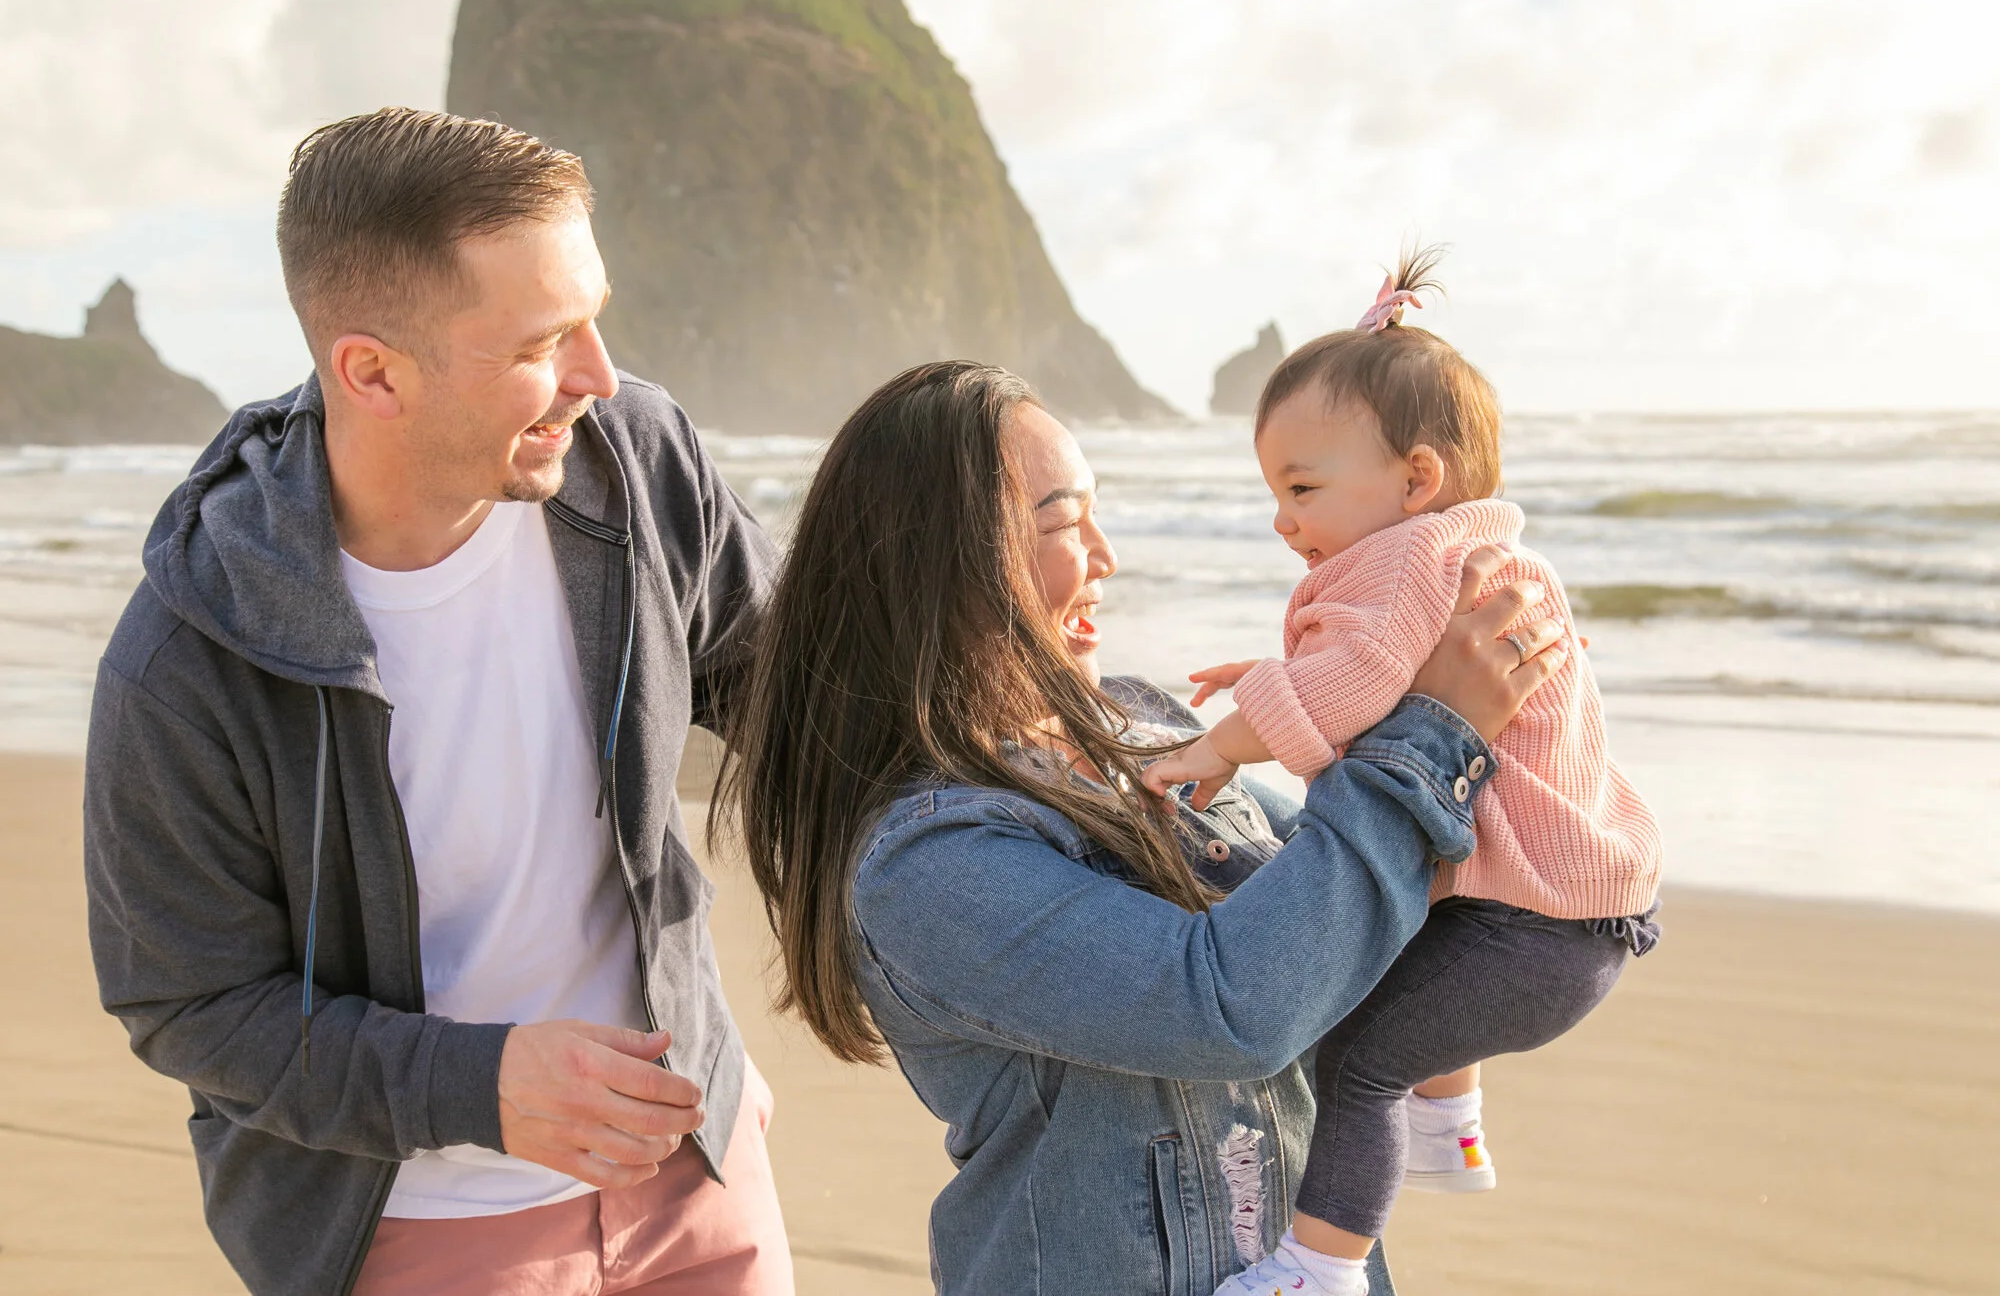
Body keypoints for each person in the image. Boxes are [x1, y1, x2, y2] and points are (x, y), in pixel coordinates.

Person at [82, 108, 792, 1294]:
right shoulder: (187, 662)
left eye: (593, 318)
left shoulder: (634, 459)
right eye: (542, 343)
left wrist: (1036, 743)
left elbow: (797, 696)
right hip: (418, 1233)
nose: (597, 376)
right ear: (372, 371)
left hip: (701, 1179)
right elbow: (189, 1004)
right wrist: (477, 1085)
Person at [713, 360, 1567, 1293]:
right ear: (943, 562)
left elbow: (1346, 901)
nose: (1106, 554)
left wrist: (1491, 716)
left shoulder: (1140, 724)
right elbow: (1232, 1007)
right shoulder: (924, 860)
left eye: (1096, 514)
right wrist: (1434, 731)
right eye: (1064, 523)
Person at [1142, 247, 1664, 1296]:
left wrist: (1221, 741)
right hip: (1573, 909)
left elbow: (1359, 683)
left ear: (1416, 480)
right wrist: (1278, 682)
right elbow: (1385, 687)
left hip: (1525, 933)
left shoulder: (1410, 556)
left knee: (1357, 1059)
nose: (1283, 519)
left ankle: (1318, 1270)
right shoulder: (1488, 559)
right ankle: (1449, 1125)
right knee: (1404, 940)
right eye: (1274, 493)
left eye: (1301, 488)